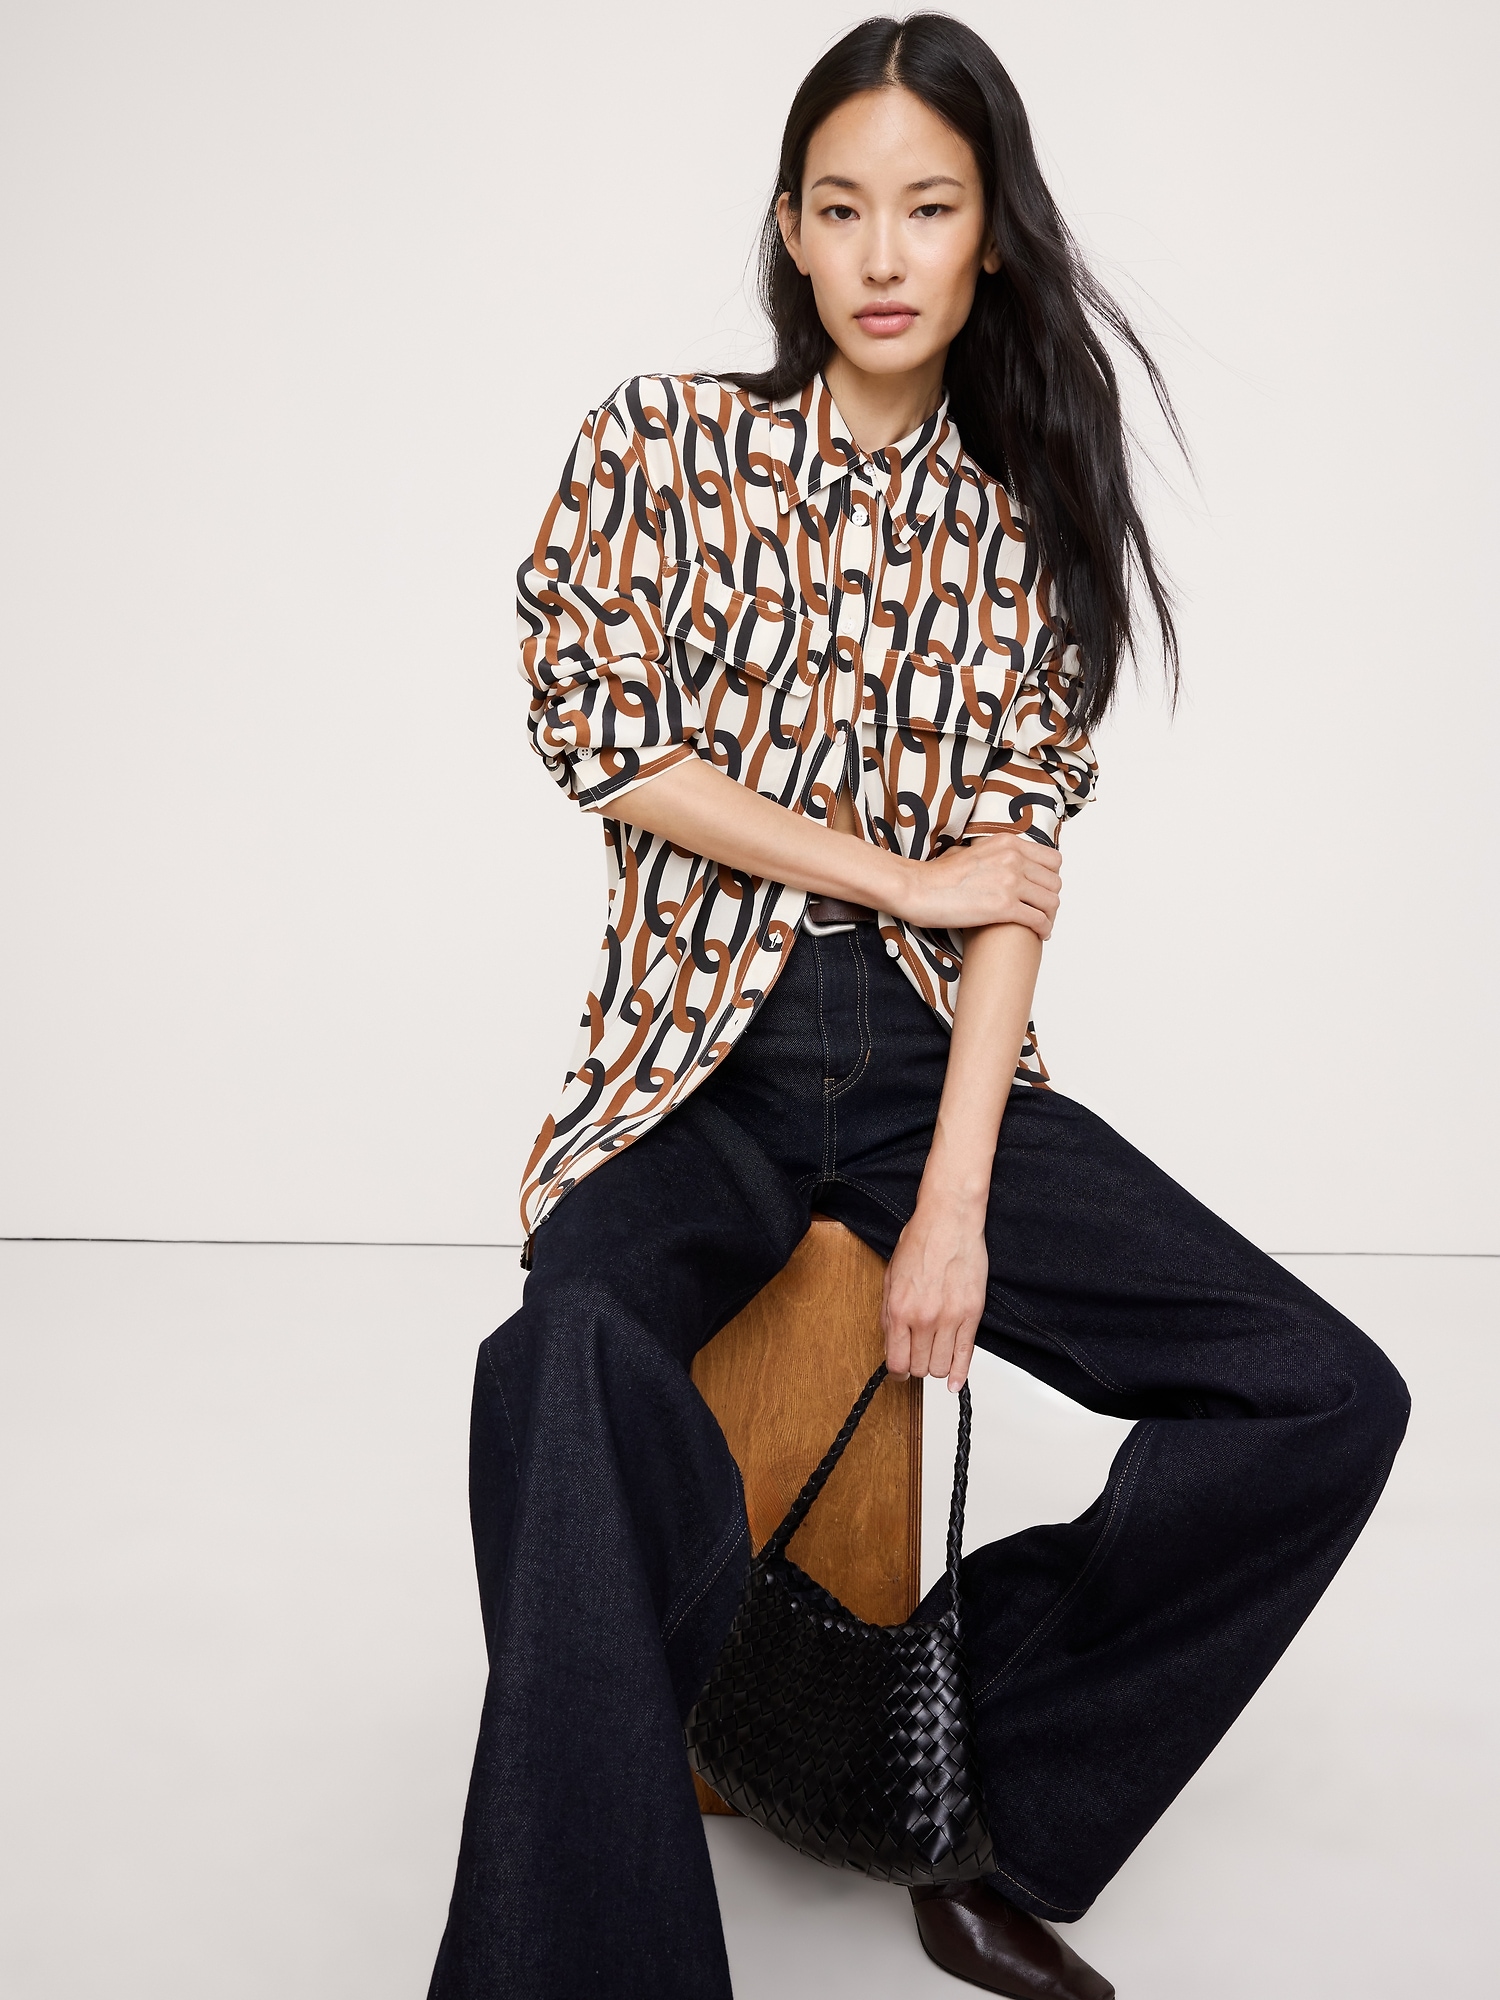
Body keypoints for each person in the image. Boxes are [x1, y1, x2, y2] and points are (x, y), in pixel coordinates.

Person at [426, 15, 1409, 1998]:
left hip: (920, 1069)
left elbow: (1011, 889)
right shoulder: (661, 446)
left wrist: (954, 1197)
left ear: (989, 235)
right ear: (791, 229)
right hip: (693, 1065)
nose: (885, 252)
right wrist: (896, 871)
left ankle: (976, 1790)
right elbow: (603, 737)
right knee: (562, 1364)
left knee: (1318, 1393)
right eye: (845, 206)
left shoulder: (1022, 521)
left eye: (931, 207)